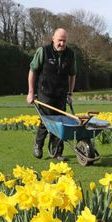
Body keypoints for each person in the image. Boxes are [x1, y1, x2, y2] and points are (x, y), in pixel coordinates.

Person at [27, 28, 76, 159]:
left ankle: (57, 152)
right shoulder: (43, 51)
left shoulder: (70, 54)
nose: (62, 43)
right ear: (53, 38)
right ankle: (38, 145)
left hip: (61, 94)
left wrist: (70, 93)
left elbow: (72, 75)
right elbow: (33, 71)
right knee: (46, 122)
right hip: (45, 93)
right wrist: (31, 92)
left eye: (64, 41)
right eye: (60, 40)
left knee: (60, 123)